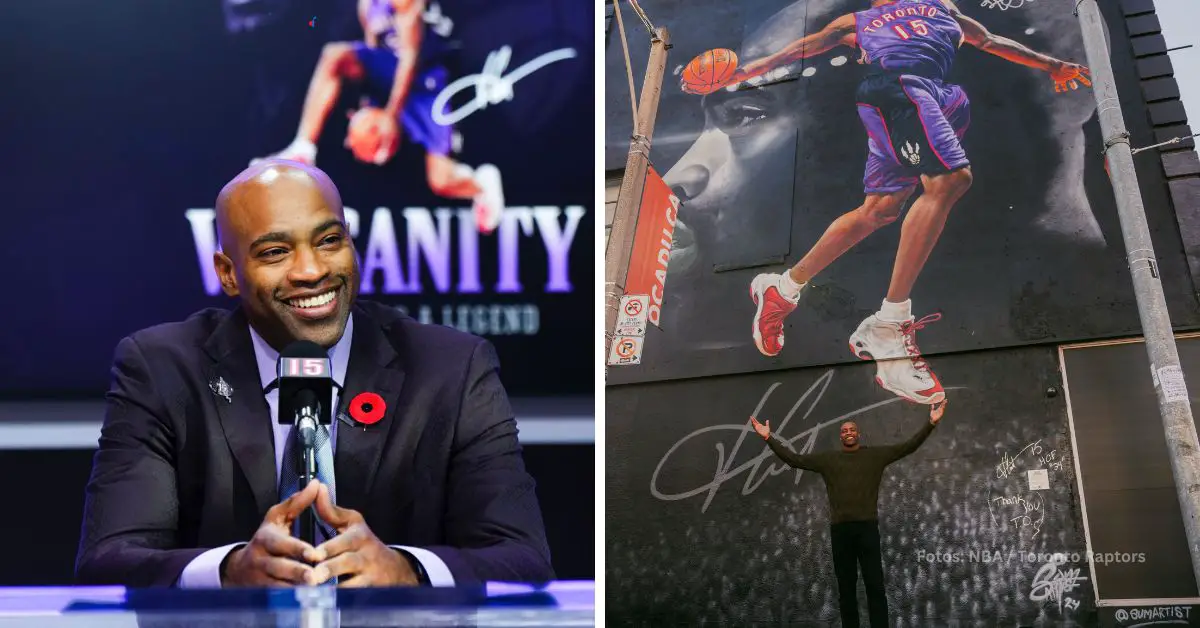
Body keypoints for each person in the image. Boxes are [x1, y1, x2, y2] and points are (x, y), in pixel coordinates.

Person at [74, 159, 552, 588]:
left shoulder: (452, 368)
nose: (312, 270)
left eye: (329, 241)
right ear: (228, 273)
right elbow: (109, 560)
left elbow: (522, 559)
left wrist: (406, 570)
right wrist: (229, 570)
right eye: (275, 252)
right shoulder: (161, 370)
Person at [686, 0, 1091, 405]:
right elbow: (803, 46)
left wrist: (1051, 64)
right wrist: (744, 72)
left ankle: (783, 287)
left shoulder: (942, 10)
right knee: (950, 180)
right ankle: (890, 322)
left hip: (938, 95)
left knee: (879, 210)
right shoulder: (860, 21)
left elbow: (988, 39)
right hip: (899, 90)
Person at [252, 0, 506, 233]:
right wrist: (370, 101)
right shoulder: (366, 3)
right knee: (335, 56)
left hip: (424, 80)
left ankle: (480, 185)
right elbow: (372, 49)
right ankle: (303, 148)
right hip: (389, 70)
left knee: (441, 180)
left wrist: (391, 116)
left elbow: (410, 58)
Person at [750, 402, 945, 627]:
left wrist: (931, 423)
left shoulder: (876, 456)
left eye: (852, 430)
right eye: (844, 431)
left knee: (875, 587)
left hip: (867, 529)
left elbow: (909, 446)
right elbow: (795, 459)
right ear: (841, 437)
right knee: (846, 589)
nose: (848, 433)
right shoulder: (828, 460)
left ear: (858, 434)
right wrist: (768, 438)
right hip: (841, 531)